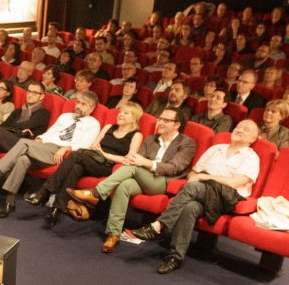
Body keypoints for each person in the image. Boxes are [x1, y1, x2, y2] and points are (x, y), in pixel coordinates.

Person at [130, 119, 262, 274]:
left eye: (246, 129)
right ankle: (175, 257)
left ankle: (158, 226)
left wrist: (204, 178)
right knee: (189, 207)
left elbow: (234, 183)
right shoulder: (216, 149)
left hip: (226, 197)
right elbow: (194, 173)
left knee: (193, 186)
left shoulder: (251, 158)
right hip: (202, 191)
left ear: (253, 139)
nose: (239, 130)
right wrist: (197, 178)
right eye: (238, 127)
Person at [67, 106, 196, 251]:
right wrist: (132, 160)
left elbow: (174, 168)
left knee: (132, 168)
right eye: (160, 119)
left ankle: (95, 193)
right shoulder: (151, 139)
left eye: (166, 120)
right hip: (142, 176)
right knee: (124, 185)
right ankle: (113, 234)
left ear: (177, 124)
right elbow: (137, 158)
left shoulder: (186, 143)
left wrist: (145, 163)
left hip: (162, 181)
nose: (160, 122)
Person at [0, 91, 101, 217]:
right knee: (23, 159)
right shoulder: (65, 116)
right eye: (77, 102)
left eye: (83, 104)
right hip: (45, 147)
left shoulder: (93, 124)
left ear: (92, 107)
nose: (78, 106)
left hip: (61, 153)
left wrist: (66, 148)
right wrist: (40, 138)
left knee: (24, 143)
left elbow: (85, 146)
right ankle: (10, 201)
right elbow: (50, 132)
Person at [35, 102, 145, 225]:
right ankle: (57, 209)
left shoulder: (136, 135)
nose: (121, 115)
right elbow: (94, 146)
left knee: (75, 155)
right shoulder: (108, 127)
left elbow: (129, 159)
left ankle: (46, 190)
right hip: (93, 159)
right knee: (76, 167)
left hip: (109, 166)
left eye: (126, 113)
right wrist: (98, 151)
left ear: (134, 118)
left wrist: (105, 155)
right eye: (120, 112)